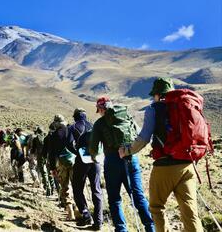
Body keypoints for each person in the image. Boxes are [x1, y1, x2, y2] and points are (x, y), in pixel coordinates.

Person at [119, 78, 204, 232]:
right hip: (188, 164)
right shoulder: (184, 105)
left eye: (154, 95)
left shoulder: (154, 109)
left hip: (166, 166)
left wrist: (127, 150)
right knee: (190, 211)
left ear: (158, 94)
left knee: (157, 207)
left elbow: (144, 138)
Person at [89, 97, 154, 232]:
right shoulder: (126, 116)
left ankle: (121, 229)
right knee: (137, 195)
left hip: (112, 161)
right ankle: (150, 226)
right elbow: (137, 133)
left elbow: (93, 148)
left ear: (101, 109)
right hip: (131, 157)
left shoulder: (99, 124)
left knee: (114, 198)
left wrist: (94, 158)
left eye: (99, 110)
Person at [70, 108, 103, 229]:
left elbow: (69, 144)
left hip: (81, 161)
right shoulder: (93, 125)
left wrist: (78, 152)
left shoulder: (73, 127)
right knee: (97, 189)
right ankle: (99, 221)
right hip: (95, 160)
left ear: (75, 116)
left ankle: (86, 215)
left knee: (77, 188)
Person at [47, 114, 76, 220]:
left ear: (56, 123)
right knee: (76, 186)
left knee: (65, 186)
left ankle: (70, 212)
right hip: (74, 161)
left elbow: (51, 154)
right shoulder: (71, 130)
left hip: (61, 163)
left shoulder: (54, 135)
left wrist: (52, 169)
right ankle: (78, 210)